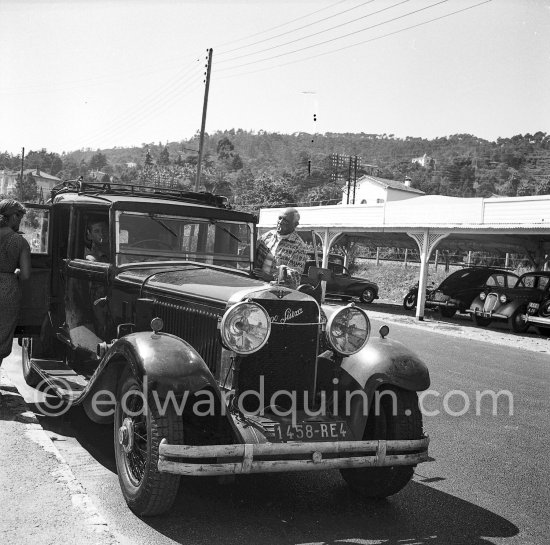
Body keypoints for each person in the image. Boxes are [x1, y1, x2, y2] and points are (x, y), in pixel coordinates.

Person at [0, 199, 31, 367]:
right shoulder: (20, 242)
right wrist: (16, 272)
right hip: (7, 292)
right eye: (19, 217)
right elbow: (25, 275)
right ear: (12, 217)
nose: (20, 222)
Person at [254, 207, 308, 289]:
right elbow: (252, 253)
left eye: (286, 220)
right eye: (280, 218)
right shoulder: (267, 236)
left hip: (277, 291)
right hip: (255, 284)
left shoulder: (299, 246)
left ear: (295, 224)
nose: (281, 222)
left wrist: (271, 277)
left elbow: (295, 277)